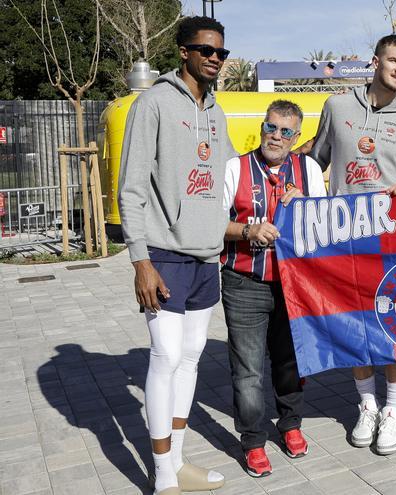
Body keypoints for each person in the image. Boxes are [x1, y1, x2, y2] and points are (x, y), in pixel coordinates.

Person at [117, 16, 237, 495]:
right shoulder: (154, 103)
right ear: (183, 52)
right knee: (165, 356)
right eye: (205, 50)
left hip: (207, 255)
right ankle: (162, 471)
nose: (215, 58)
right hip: (164, 253)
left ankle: (180, 461)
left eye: (221, 53)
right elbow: (130, 188)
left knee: (190, 358)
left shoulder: (217, 111)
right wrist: (139, 260)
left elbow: (232, 173)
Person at [308, 34, 396, 455]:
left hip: (395, 240)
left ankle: (394, 411)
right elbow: (313, 163)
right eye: (393, 61)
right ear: (375, 62)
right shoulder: (337, 106)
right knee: (355, 324)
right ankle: (367, 404)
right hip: (346, 238)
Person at [221, 100, 326, 477]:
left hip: (294, 284)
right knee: (248, 370)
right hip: (244, 281)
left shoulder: (309, 169)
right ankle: (252, 440)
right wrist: (248, 230)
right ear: (261, 128)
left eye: (285, 131)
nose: (276, 137)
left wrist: (306, 207)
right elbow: (213, 224)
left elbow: (326, 223)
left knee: (290, 361)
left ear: (296, 137)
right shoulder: (236, 167)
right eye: (271, 128)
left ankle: (291, 424)